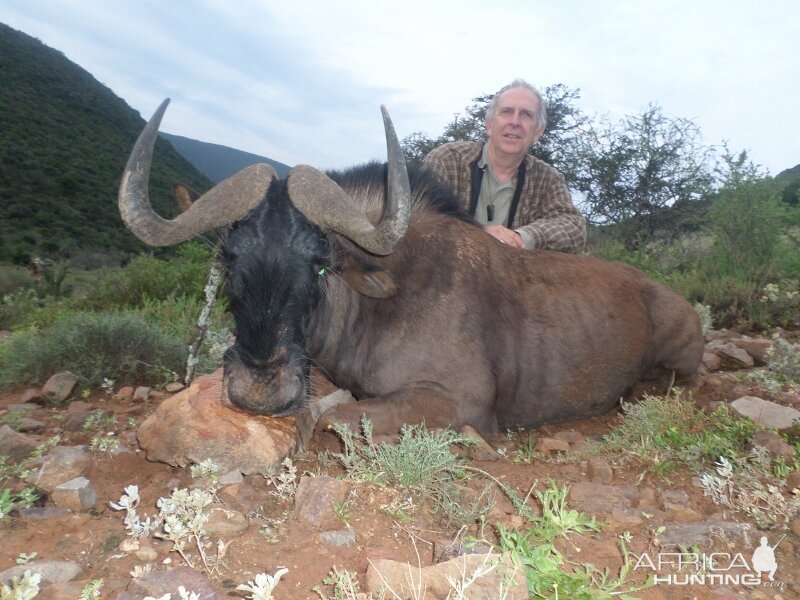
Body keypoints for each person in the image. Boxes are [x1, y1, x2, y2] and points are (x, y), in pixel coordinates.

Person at [424, 79, 586, 252]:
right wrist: (479, 234)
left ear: (538, 132)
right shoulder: (447, 160)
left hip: (515, 277)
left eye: (526, 114)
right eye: (506, 112)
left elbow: (574, 226)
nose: (515, 122)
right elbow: (422, 219)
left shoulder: (548, 178)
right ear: (489, 124)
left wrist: (523, 237)